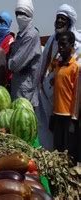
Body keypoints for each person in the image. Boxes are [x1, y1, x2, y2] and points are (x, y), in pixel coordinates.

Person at [38, 4, 81, 150]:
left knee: (67, 142)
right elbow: (45, 64)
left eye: (63, 19)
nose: (59, 22)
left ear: (70, 22)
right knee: (51, 136)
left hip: (68, 107)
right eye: (58, 18)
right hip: (51, 100)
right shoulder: (51, 40)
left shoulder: (78, 44)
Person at [51, 31, 80, 163]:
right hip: (57, 113)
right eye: (59, 45)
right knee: (58, 148)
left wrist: (75, 118)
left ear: (72, 45)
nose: (60, 47)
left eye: (64, 44)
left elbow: (77, 94)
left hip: (68, 115)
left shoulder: (75, 67)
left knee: (68, 152)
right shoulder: (58, 65)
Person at [8, 0, 42, 108]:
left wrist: (9, 61)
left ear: (29, 15)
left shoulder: (31, 35)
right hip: (19, 89)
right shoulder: (21, 34)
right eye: (17, 13)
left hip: (26, 93)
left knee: (25, 122)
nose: (19, 17)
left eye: (22, 13)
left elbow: (15, 65)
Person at [0, 11, 15, 91]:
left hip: (6, 82)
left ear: (7, 23)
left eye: (2, 22)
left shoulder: (10, 40)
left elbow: (4, 60)